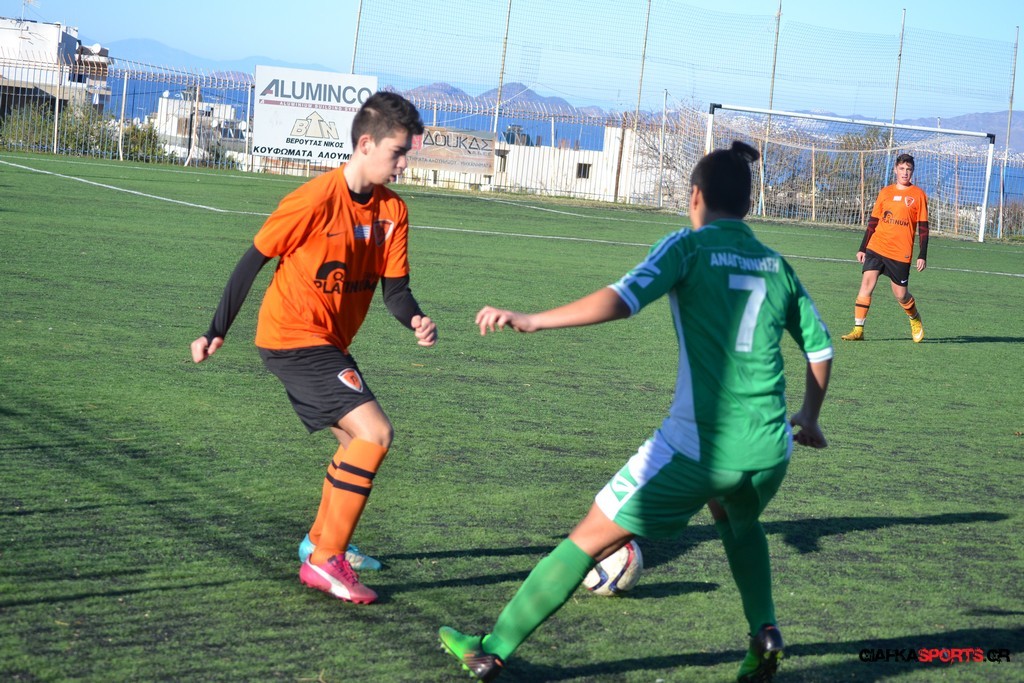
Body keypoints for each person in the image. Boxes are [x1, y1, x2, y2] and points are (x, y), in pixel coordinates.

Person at [439, 141, 833, 682]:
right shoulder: (776, 265)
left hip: (699, 446)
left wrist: (534, 319)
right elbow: (821, 349)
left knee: (587, 537)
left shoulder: (687, 247)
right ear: (746, 205)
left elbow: (621, 300)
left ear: (694, 197)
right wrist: (809, 416)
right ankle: (764, 631)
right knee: (738, 521)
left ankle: (492, 648)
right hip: (770, 448)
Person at [190, 91, 437, 605]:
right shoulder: (314, 199)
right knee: (375, 433)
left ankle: (319, 541)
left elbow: (395, 292)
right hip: (292, 338)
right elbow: (253, 259)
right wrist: (216, 330)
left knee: (354, 444)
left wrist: (414, 318)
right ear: (365, 145)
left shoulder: (393, 211)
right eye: (397, 152)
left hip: (328, 343)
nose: (404, 164)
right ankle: (327, 560)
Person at [840, 153, 929, 342]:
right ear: (895, 169)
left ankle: (914, 318)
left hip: (900, 252)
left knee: (901, 295)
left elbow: (923, 228)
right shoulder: (885, 192)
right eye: (902, 169)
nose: (905, 173)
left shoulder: (918, 195)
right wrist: (862, 248)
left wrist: (922, 254)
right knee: (866, 284)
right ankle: (858, 330)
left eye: (909, 169)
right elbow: (873, 222)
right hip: (877, 246)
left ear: (913, 171)